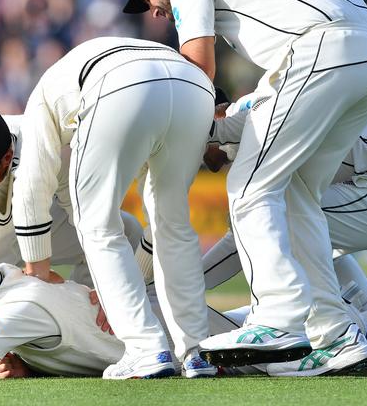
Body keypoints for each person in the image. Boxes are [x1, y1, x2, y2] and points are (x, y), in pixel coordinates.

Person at [124, 0, 367, 372]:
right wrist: (212, 128)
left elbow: (197, 69)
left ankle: (277, 316)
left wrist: (173, 126)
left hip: (323, 49)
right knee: (295, 193)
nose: (156, 11)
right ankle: (337, 333)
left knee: (249, 186)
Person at [0, 243, 367, 381]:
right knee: (322, 306)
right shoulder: (8, 278)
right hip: (189, 325)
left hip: (204, 353)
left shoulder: (17, 309)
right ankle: (359, 296)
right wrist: (1, 354)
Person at [11, 36, 216, 379]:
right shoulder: (80, 68)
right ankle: (196, 350)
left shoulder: (40, 100)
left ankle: (145, 349)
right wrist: (132, 279)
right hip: (194, 84)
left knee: (96, 224)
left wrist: (37, 270)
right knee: (173, 223)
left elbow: (32, 184)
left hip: (120, 83)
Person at [198, 95, 367, 374]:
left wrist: (184, 285)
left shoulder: (245, 118)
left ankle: (358, 332)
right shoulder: (246, 117)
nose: (200, 157)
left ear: (218, 113)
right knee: (301, 231)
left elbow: (248, 236)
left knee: (285, 226)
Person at [0, 107, 142, 338]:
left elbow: (89, 221)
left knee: (128, 231)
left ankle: (92, 320)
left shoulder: (48, 145)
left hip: (41, 225)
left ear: (7, 157)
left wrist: (106, 288)